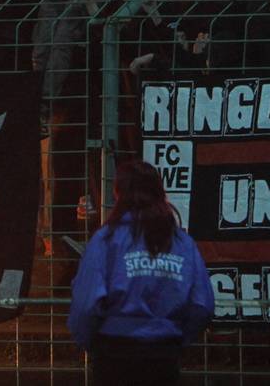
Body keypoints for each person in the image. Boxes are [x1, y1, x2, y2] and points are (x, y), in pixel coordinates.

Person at [69, 160, 214, 385]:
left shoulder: (106, 239)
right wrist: (175, 337)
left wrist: (89, 342)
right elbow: (202, 305)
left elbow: (86, 304)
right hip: (164, 352)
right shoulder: (181, 242)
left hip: (114, 352)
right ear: (160, 192)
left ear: (118, 193)